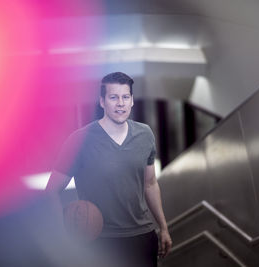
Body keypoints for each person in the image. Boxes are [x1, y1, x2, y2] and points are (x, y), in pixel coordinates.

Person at [46, 72, 172, 267]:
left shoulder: (145, 134)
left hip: (142, 236)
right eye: (113, 97)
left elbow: (150, 184)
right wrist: (62, 236)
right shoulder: (79, 140)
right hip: (99, 242)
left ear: (131, 101)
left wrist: (163, 227)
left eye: (125, 97)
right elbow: (51, 191)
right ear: (102, 102)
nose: (120, 103)